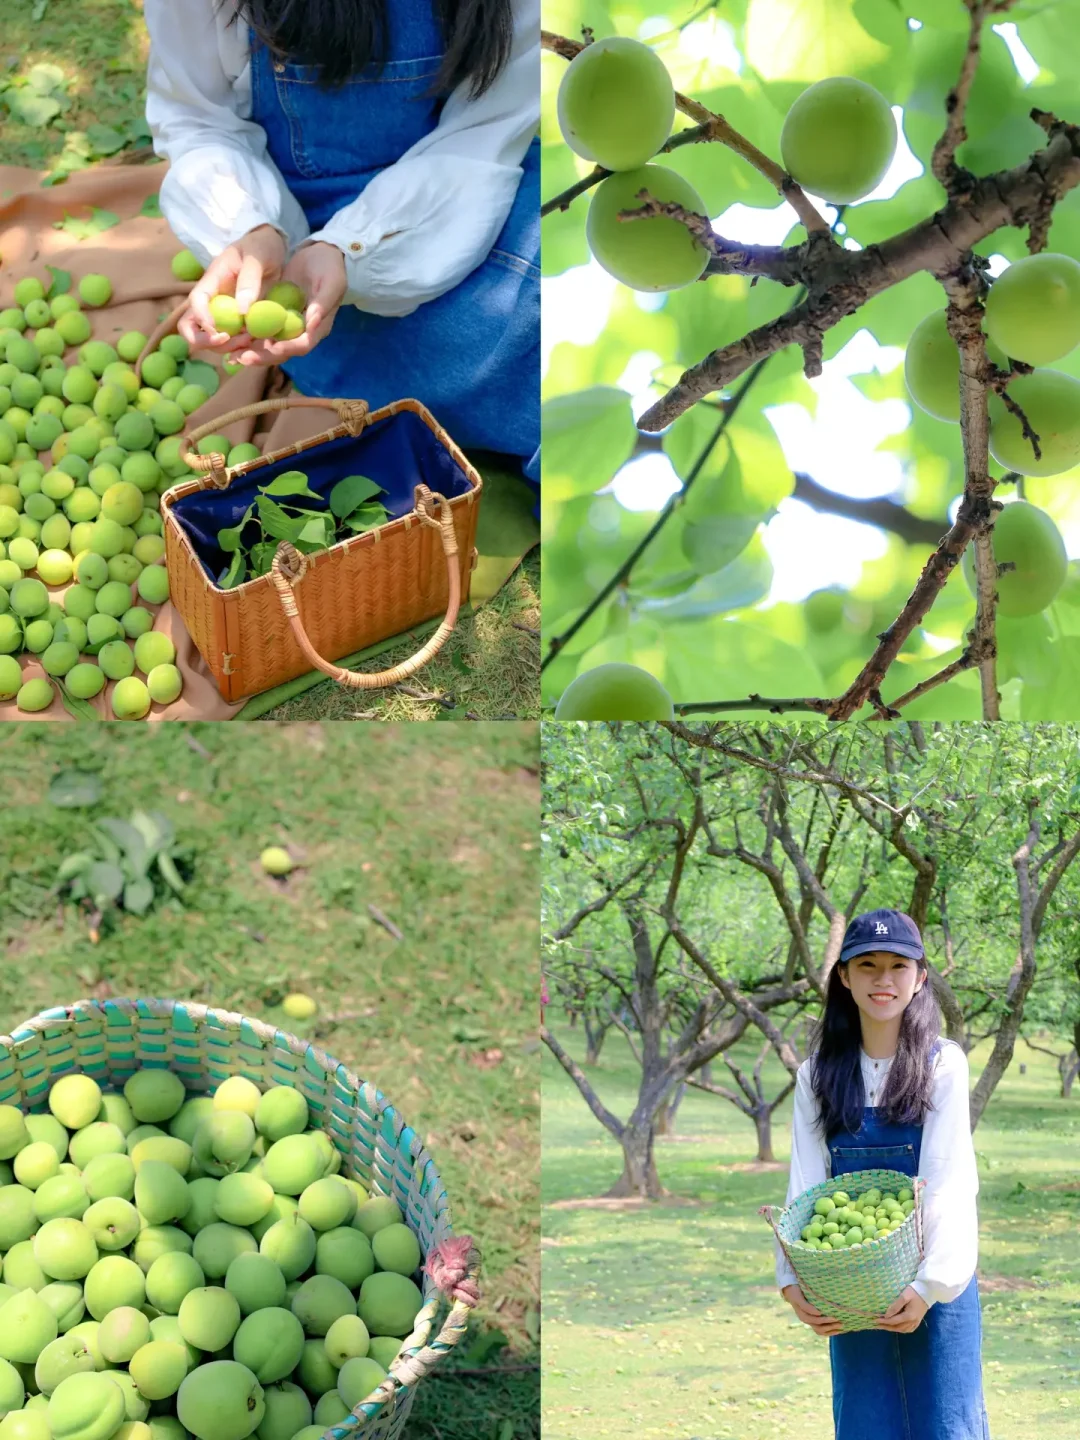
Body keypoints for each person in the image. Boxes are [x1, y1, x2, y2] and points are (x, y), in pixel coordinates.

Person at [142, 0, 540, 485]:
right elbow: (198, 119)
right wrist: (253, 228)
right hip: (317, 265)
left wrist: (353, 247)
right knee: (518, 350)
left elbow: (487, 130)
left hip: (466, 197)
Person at [776, 908, 988, 1440]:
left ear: (920, 978)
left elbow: (948, 1182)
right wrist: (792, 1280)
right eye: (867, 965)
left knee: (947, 1426)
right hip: (851, 1292)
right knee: (866, 1425)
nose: (882, 979)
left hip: (934, 1291)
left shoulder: (942, 1065)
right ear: (844, 976)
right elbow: (805, 1185)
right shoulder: (817, 1075)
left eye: (898, 965)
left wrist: (928, 1287)